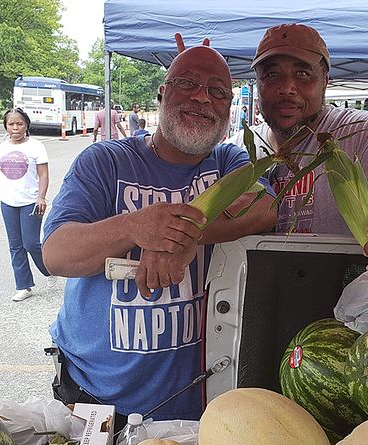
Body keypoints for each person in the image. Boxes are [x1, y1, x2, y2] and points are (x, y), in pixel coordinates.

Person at [41, 45, 276, 424]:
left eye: (218, 91)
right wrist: (136, 226)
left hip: (200, 406)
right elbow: (56, 254)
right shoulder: (105, 161)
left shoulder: (230, 162)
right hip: (94, 402)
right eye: (187, 83)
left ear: (229, 108)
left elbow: (266, 207)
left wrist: (181, 236)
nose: (202, 97)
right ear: (162, 93)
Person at [231, 23, 368, 274]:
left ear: (325, 81)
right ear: (258, 83)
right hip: (255, 303)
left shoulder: (366, 134)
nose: (286, 88)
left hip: (346, 303)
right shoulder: (238, 150)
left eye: (303, 74)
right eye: (271, 75)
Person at [0, 108, 56, 302]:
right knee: (15, 246)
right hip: (8, 203)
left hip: (31, 202)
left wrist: (42, 197)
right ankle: (24, 286)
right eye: (11, 124)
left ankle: (49, 271)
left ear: (26, 125)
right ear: (6, 126)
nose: (15, 127)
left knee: (30, 243)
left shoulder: (36, 146)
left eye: (19, 123)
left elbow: (43, 174)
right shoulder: (3, 147)